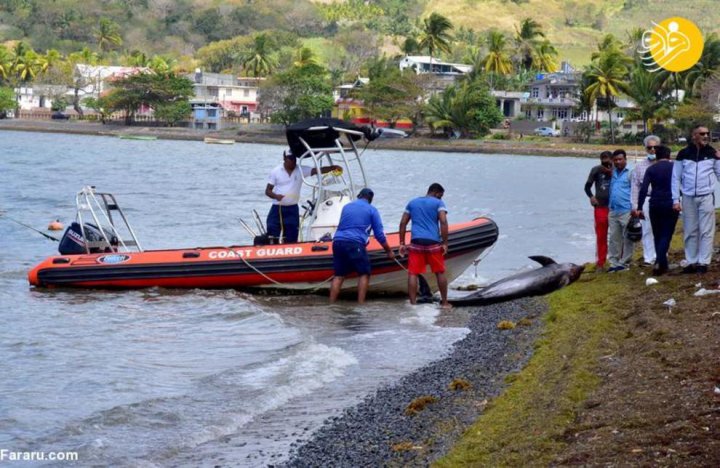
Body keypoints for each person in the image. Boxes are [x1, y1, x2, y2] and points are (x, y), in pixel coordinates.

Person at [329, 188, 394, 304]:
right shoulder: (372, 210)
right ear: (370, 200)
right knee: (364, 274)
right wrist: (389, 251)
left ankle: (331, 303)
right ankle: (360, 304)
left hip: (337, 241)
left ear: (359, 196)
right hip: (354, 243)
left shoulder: (347, 207)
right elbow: (379, 235)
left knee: (338, 275)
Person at [671, 125, 720, 274]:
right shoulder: (683, 154)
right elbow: (676, 177)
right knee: (690, 230)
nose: (705, 136)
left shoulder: (713, 153)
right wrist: (675, 199)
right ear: (694, 136)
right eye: (702, 133)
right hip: (688, 197)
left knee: (706, 230)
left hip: (706, 196)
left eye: (707, 133)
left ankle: (703, 262)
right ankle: (691, 261)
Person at [265, 149, 341, 244]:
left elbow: (316, 170)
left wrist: (332, 168)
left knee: (291, 237)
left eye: (294, 158)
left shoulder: (300, 170)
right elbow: (268, 191)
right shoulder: (276, 171)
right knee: (272, 234)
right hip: (277, 208)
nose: (293, 161)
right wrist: (276, 196)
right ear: (284, 158)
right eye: (290, 158)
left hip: (292, 209)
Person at [398, 183, 450, 308]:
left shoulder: (412, 203)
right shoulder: (438, 204)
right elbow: (443, 221)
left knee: (413, 273)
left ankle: (412, 304)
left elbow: (403, 223)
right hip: (432, 242)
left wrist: (402, 243)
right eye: (440, 196)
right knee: (439, 272)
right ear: (437, 193)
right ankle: (444, 302)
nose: (441, 199)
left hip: (416, 242)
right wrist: (445, 242)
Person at [636, 145, 678, 276]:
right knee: (667, 233)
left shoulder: (651, 169)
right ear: (669, 155)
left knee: (657, 234)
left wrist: (639, 207)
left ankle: (662, 263)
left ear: (656, 156)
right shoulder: (674, 168)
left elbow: (643, 189)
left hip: (654, 203)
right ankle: (659, 262)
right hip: (670, 202)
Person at [631, 135, 660, 267]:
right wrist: (636, 205)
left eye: (655, 147)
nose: (653, 150)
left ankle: (661, 255)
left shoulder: (666, 164)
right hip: (646, 200)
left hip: (661, 199)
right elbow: (635, 186)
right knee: (647, 229)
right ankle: (648, 258)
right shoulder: (639, 166)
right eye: (649, 147)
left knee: (660, 229)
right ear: (646, 149)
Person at [584, 151, 613, 270]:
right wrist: (591, 197)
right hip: (600, 207)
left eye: (608, 159)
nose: (605, 162)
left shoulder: (618, 170)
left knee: (618, 235)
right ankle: (600, 262)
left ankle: (619, 261)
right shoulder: (596, 170)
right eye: (603, 159)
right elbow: (587, 186)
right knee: (601, 236)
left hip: (615, 207)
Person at [607, 149, 635, 272]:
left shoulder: (630, 173)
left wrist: (634, 208)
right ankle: (613, 263)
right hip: (613, 211)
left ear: (625, 160)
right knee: (613, 238)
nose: (618, 162)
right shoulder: (612, 173)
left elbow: (635, 191)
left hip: (626, 210)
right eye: (616, 160)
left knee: (627, 238)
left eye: (620, 159)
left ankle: (625, 263)